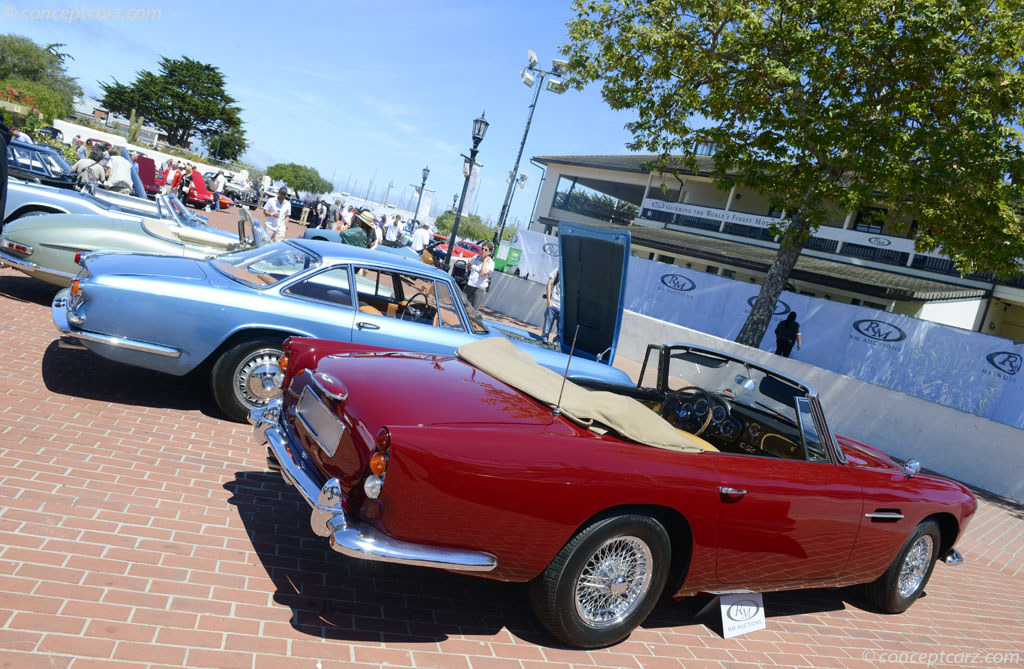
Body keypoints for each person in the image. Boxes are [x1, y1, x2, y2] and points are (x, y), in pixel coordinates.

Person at [463, 241, 495, 310]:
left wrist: (485, 261)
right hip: (470, 285)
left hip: (479, 288)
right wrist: (466, 273)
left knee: (474, 310)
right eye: (482, 249)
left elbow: (483, 274)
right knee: (461, 303)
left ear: (489, 252)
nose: (483, 251)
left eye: (486, 250)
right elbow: (468, 264)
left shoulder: (491, 263)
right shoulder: (476, 257)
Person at [541, 268, 561, 345]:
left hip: (562, 308)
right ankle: (544, 340)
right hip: (553, 303)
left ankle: (557, 341)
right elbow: (549, 283)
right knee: (547, 326)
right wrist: (549, 301)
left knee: (561, 330)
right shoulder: (559, 269)